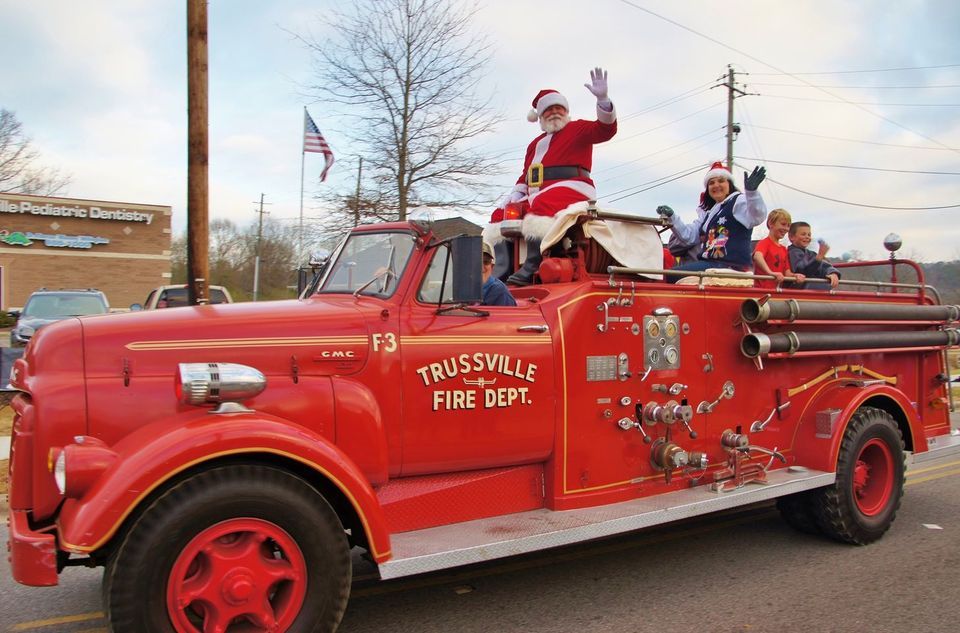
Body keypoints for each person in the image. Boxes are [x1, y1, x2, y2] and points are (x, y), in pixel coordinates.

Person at [484, 67, 618, 286]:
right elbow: (526, 175)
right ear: (541, 116)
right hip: (537, 193)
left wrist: (603, 100)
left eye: (559, 108)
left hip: (574, 187)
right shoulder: (534, 145)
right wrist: (515, 194)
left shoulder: (578, 129)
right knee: (501, 214)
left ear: (566, 111)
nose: (554, 113)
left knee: (544, 205)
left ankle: (534, 263)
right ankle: (503, 267)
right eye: (548, 110)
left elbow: (605, 129)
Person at [658, 161, 768, 281]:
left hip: (729, 264)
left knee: (669, 276)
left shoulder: (738, 201)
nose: (716, 185)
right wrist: (672, 217)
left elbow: (756, 216)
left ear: (729, 184)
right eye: (711, 183)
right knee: (669, 274)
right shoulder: (710, 213)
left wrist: (752, 193)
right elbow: (688, 236)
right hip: (711, 264)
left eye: (721, 181)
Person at [753, 209, 805, 289]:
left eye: (788, 226)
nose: (786, 229)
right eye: (783, 224)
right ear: (771, 223)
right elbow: (757, 256)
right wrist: (770, 273)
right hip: (761, 291)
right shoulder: (764, 243)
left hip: (776, 291)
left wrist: (795, 275)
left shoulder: (784, 249)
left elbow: (787, 273)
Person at [788, 221, 840, 289]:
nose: (807, 237)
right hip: (798, 288)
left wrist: (832, 273)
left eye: (809, 235)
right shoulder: (792, 253)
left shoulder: (811, 254)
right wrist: (819, 257)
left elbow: (823, 266)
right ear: (792, 237)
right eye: (803, 234)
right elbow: (803, 271)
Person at [481, 241, 517, 306]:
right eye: (476, 262)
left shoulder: (500, 292)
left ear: (492, 267)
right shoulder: (461, 288)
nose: (482, 268)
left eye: (486, 262)